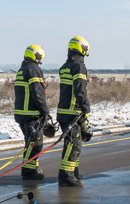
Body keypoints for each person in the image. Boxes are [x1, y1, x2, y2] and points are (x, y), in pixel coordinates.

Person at [57, 36, 91, 187]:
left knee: (72, 144)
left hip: (63, 111)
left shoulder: (65, 67)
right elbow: (80, 90)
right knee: (74, 145)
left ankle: (73, 173)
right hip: (73, 112)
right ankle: (67, 176)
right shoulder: (78, 67)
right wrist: (85, 109)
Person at [14, 45, 51, 180]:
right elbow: (37, 92)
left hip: (22, 114)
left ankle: (32, 169)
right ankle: (29, 172)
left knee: (30, 143)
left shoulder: (22, 70)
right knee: (36, 143)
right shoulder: (33, 69)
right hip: (31, 114)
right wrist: (45, 111)